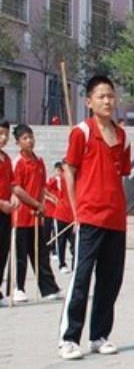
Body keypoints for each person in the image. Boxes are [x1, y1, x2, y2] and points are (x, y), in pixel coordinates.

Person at [58, 75, 132, 358]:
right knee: (82, 276)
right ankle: (69, 337)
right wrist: (76, 212)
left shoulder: (122, 136)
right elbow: (70, 171)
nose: (107, 101)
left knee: (110, 280)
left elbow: (122, 174)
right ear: (88, 101)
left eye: (110, 95)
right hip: (89, 217)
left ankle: (100, 335)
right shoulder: (82, 132)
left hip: (115, 218)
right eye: (101, 96)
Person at [9, 124, 57, 302]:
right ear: (18, 142)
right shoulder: (18, 163)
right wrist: (36, 204)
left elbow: (41, 187)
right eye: (25, 138)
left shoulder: (39, 162)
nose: (29, 141)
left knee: (40, 253)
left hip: (36, 216)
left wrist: (42, 206)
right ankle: (18, 288)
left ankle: (48, 288)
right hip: (21, 215)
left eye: (31, 137)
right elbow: (17, 189)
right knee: (20, 254)